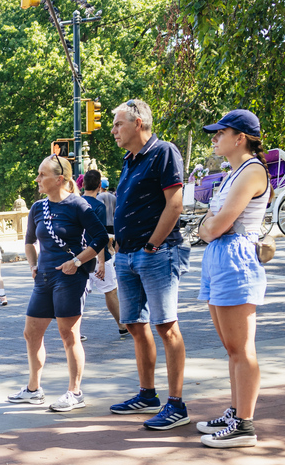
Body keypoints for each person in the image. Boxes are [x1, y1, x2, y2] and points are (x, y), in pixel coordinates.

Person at [109, 99, 191, 430]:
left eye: (118, 124)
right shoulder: (129, 161)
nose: (113, 130)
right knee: (134, 325)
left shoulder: (164, 152)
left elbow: (175, 204)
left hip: (156, 253)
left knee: (165, 326)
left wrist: (151, 245)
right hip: (126, 255)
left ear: (139, 122)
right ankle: (147, 394)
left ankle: (176, 404)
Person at [7, 155, 108, 412]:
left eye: (42, 175)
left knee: (68, 335)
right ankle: (33, 389)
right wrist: (32, 264)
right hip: (43, 278)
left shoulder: (78, 205)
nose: (37, 179)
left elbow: (100, 238)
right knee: (31, 334)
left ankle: (75, 392)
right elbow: (29, 242)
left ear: (59, 178)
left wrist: (76, 261)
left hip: (70, 278)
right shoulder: (37, 208)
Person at [195, 110, 270, 448]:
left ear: (240, 137)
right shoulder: (233, 172)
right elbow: (208, 224)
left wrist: (208, 227)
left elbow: (217, 223)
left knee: (241, 347)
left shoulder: (252, 170)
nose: (214, 138)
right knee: (232, 347)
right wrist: (208, 227)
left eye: (220, 133)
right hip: (221, 257)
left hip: (235, 257)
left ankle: (244, 424)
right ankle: (236, 411)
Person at [80, 170, 128, 337]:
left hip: (78, 254)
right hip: (96, 255)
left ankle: (74, 330)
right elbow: (98, 236)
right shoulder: (97, 206)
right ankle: (122, 325)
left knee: (79, 295)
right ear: (99, 185)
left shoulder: (74, 202)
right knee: (110, 291)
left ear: (83, 184)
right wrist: (101, 261)